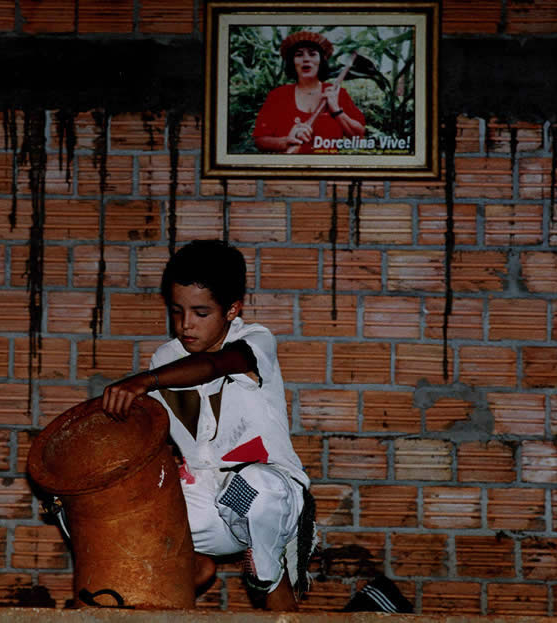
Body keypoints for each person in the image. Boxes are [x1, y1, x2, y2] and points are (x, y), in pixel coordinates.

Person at [102, 240, 315, 611]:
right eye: (177, 311)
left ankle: (269, 573)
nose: (186, 324)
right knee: (124, 516)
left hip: (270, 494)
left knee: (253, 489)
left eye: (201, 312)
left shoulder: (253, 341)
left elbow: (217, 365)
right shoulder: (166, 357)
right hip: (204, 498)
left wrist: (145, 381)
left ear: (232, 309)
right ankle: (193, 567)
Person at [253, 30, 365, 154]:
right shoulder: (278, 95)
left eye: (312, 54)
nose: (306, 59)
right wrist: (286, 141)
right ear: (293, 62)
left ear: (321, 61)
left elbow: (358, 138)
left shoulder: (337, 93)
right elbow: (260, 140)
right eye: (299, 55)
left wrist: (337, 110)